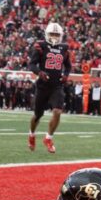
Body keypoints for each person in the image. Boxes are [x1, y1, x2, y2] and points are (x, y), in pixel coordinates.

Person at [27, 22, 71, 153]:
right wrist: (40, 73)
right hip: (42, 86)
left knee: (57, 111)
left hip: (56, 85)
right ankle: (31, 135)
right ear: (47, 34)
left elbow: (68, 66)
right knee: (37, 115)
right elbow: (32, 65)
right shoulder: (40, 46)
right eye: (52, 34)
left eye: (57, 34)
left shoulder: (64, 48)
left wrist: (66, 75)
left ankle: (48, 138)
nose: (54, 37)